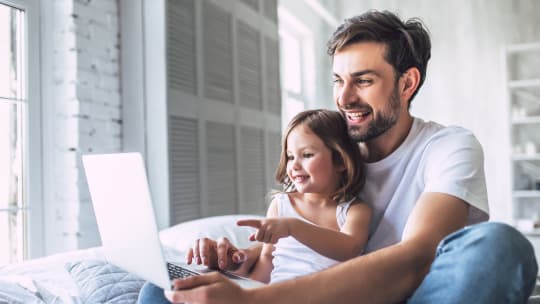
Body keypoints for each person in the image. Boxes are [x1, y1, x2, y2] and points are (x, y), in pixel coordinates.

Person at [139, 10, 538, 304]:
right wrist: (231, 263)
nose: (345, 98)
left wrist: (252, 302)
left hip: (408, 298)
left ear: (407, 82)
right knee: (163, 289)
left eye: (363, 81)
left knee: (500, 246)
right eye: (338, 80)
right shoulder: (325, 155)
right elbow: (278, 253)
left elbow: (416, 259)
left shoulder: (449, 147)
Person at [188, 109, 371, 284]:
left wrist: (293, 227)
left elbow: (350, 248)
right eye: (290, 157)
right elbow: (267, 260)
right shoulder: (282, 205)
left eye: (307, 155)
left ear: (340, 160)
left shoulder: (355, 210)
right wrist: (248, 294)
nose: (294, 166)